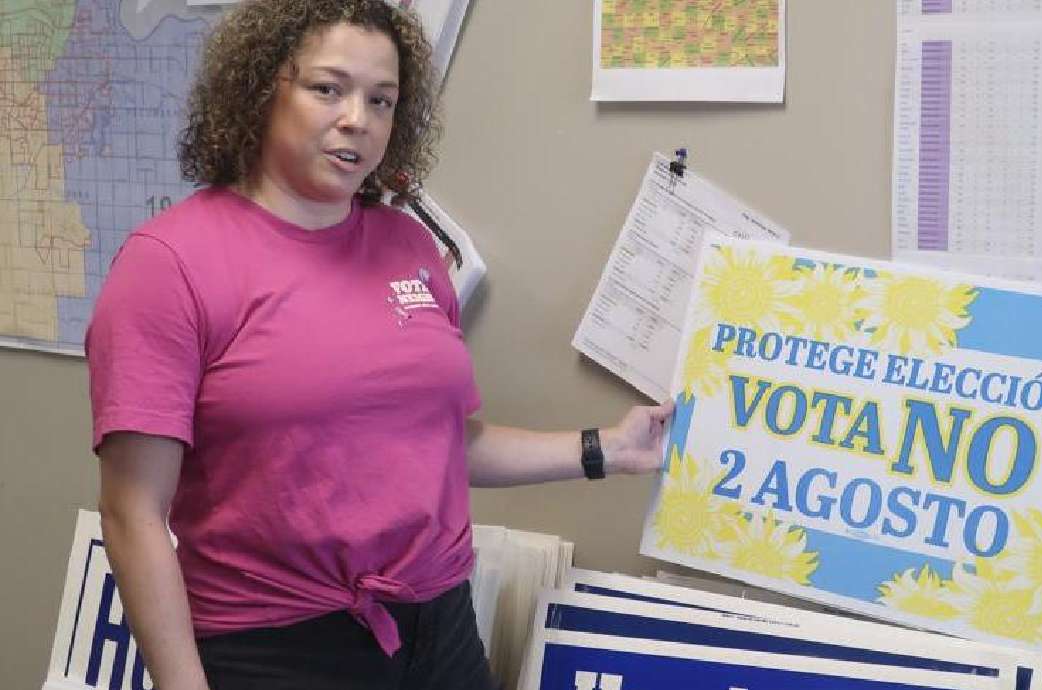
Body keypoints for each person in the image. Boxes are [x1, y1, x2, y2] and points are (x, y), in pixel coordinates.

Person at [84, 2, 674, 689]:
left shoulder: (408, 246)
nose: (357, 119)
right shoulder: (170, 263)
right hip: (277, 647)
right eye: (327, 88)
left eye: (381, 99)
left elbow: (442, 441)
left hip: (441, 630)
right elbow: (132, 513)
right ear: (261, 88)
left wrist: (608, 448)